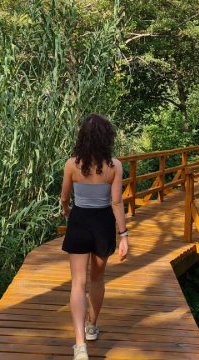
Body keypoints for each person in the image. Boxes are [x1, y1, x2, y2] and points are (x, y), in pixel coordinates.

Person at [61, 113, 129, 360]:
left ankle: (80, 345)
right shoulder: (114, 166)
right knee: (97, 280)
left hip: (79, 222)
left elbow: (65, 197)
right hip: (103, 224)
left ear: (83, 138)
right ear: (106, 138)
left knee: (77, 283)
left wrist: (66, 210)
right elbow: (117, 202)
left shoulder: (72, 165)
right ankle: (92, 326)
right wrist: (124, 235)